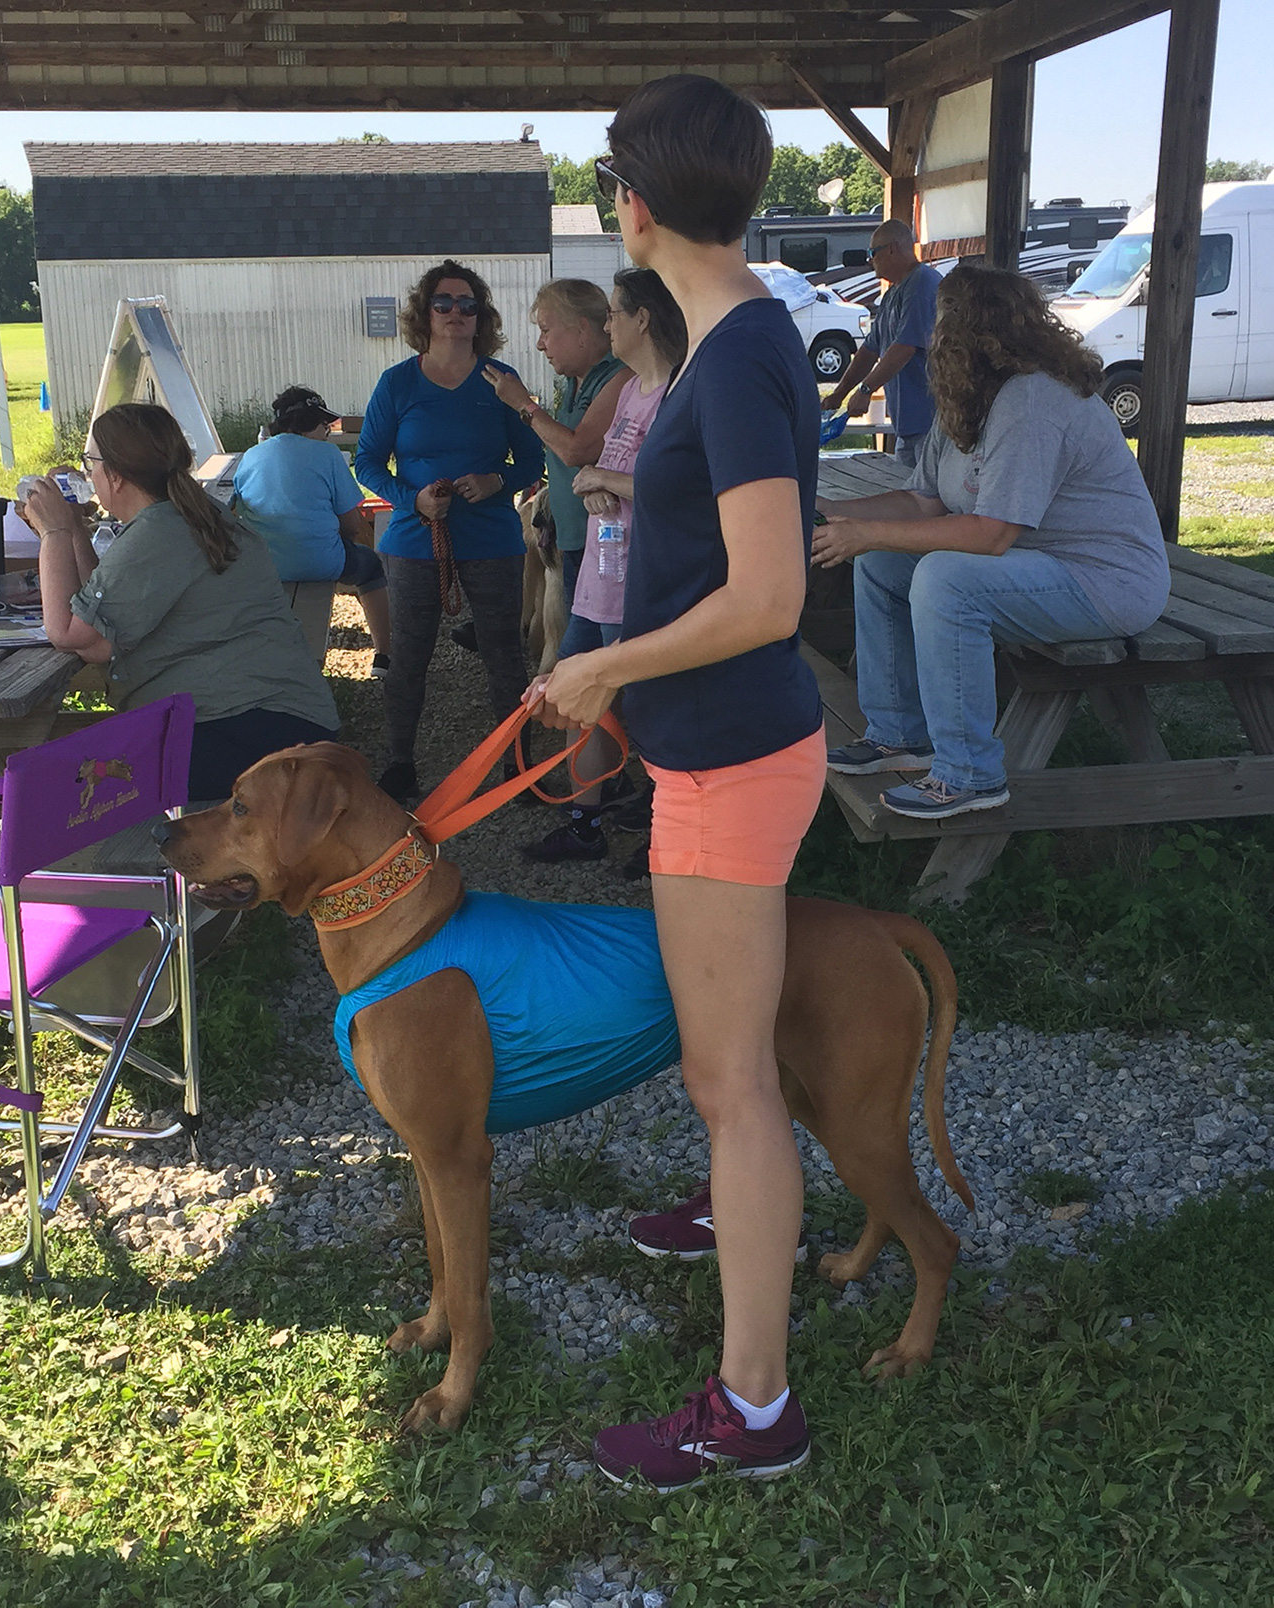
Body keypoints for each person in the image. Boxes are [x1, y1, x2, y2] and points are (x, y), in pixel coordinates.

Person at [533, 74, 823, 1491]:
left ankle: (755, 1405)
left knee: (731, 1082)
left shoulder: (747, 350)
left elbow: (769, 594)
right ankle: (740, 1210)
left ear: (635, 206)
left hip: (735, 754)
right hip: (719, 747)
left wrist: (607, 668)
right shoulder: (728, 341)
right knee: (733, 1080)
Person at [814, 259, 1170, 820]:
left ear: (963, 331)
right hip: (1035, 567)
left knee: (944, 579)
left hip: (1105, 583)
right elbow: (921, 501)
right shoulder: (974, 398)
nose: (930, 338)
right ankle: (900, 736)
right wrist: (835, 513)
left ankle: (970, 773)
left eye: (938, 324)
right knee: (883, 559)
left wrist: (865, 532)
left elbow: (991, 534)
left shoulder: (1032, 401)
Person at [26, 402, 341, 802]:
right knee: (84, 770)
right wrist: (72, 529)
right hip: (278, 725)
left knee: (68, 786)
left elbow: (72, 634)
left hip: (254, 737)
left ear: (116, 476)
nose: (89, 473)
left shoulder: (159, 532)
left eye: (92, 463)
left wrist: (52, 532)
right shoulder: (186, 515)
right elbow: (100, 619)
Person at [354, 261, 546, 807]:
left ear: (481, 316)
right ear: (425, 313)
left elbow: (533, 454)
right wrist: (410, 498)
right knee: (407, 657)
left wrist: (497, 479)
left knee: (506, 656)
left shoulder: (500, 379)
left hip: (492, 539)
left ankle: (518, 766)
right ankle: (400, 765)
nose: (457, 313)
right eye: (445, 303)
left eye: (469, 305)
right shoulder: (397, 382)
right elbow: (367, 462)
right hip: (415, 541)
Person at [521, 267, 686, 866]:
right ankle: (584, 822)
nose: (607, 322)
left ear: (643, 319)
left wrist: (602, 479)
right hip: (601, 575)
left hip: (644, 582)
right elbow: (605, 469)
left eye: (614, 313)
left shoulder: (677, 393)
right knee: (575, 693)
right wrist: (597, 488)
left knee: (650, 715)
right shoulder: (634, 389)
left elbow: (685, 488)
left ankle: (668, 835)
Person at [483, 278, 629, 653]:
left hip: (610, 549)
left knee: (594, 659)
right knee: (575, 656)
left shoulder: (618, 376)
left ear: (581, 329)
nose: (540, 344)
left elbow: (576, 449)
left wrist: (523, 405)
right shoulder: (574, 381)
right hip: (576, 545)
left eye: (546, 330)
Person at [232, 385, 393, 677]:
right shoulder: (328, 454)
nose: (327, 431)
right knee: (370, 568)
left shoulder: (252, 455)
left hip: (264, 565)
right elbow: (352, 523)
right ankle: (384, 656)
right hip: (321, 562)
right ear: (311, 423)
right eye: (325, 424)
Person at [821, 219, 941, 467]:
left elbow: (905, 348)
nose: (869, 260)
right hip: (907, 423)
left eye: (872, 253)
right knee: (906, 493)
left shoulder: (922, 284)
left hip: (932, 421)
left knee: (927, 499)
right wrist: (839, 395)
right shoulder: (891, 295)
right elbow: (869, 350)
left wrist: (866, 390)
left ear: (892, 249)